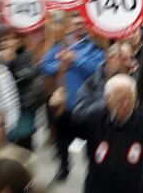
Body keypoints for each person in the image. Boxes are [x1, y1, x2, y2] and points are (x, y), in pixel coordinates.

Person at [50, 74, 143, 193]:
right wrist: (60, 113)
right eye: (120, 100)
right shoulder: (96, 119)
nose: (125, 104)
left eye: (129, 99)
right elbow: (71, 130)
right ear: (107, 99)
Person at [41, 12, 104, 181]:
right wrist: (61, 64)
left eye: (82, 23)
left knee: (92, 140)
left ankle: (94, 171)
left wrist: (75, 59)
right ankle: (63, 168)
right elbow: (45, 65)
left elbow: (98, 67)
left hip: (87, 105)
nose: (79, 26)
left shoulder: (95, 47)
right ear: (70, 25)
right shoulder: (60, 45)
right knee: (61, 139)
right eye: (76, 23)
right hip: (64, 103)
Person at [72, 42, 135, 120]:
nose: (129, 63)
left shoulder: (133, 80)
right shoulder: (91, 84)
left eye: (131, 58)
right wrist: (108, 101)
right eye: (124, 59)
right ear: (110, 59)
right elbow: (79, 115)